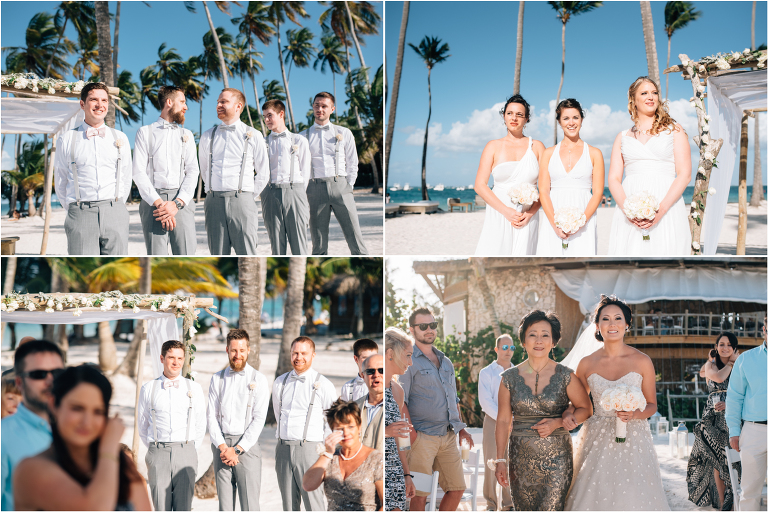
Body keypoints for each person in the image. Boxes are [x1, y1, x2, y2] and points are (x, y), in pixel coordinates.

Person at [565, 295, 670, 510]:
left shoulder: (642, 361)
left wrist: (634, 414)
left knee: (633, 492)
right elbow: (578, 403)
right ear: (597, 325)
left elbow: (651, 405)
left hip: (634, 437)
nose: (612, 324)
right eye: (605, 319)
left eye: (618, 318)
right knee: (594, 492)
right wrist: (569, 414)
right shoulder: (586, 364)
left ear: (627, 324)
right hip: (596, 437)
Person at [13, 364, 151, 510]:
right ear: (53, 404)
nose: (87, 422)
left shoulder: (120, 464)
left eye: (97, 411)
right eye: (77, 409)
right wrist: (110, 447)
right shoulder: (31, 469)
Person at [493, 312, 592, 511]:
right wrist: (500, 460)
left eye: (545, 335)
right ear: (523, 340)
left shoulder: (566, 376)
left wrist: (558, 422)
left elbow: (586, 409)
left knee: (552, 507)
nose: (539, 340)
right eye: (532, 334)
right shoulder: (508, 378)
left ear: (553, 341)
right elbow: (503, 421)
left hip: (558, 458)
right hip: (520, 458)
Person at [607, 76, 692, 255]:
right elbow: (614, 179)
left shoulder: (674, 130)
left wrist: (661, 210)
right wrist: (628, 211)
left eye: (654, 93)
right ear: (633, 100)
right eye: (644, 93)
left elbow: (684, 174)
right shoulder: (622, 137)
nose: (651, 97)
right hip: (629, 208)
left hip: (667, 204)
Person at [401, 307, 473, 511]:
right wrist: (412, 435)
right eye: (423, 326)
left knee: (457, 488)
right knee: (419, 496)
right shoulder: (408, 360)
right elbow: (401, 401)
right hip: (422, 438)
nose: (429, 330)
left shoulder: (446, 361)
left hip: (448, 437)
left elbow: (453, 398)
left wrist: (461, 429)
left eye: (432, 325)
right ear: (412, 330)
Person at [54, 82, 133, 255]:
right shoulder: (67, 139)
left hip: (115, 212)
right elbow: (60, 179)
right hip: (80, 213)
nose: (100, 105)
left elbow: (126, 176)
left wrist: (117, 205)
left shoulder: (120, 138)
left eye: (104, 100)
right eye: (94, 100)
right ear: (82, 104)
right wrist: (74, 209)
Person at [137, 340, 206, 511]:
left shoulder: (194, 388)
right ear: (162, 358)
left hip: (186, 452)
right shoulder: (149, 388)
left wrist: (188, 449)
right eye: (171, 357)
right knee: (161, 506)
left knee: (184, 507)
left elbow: (200, 424)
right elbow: (142, 424)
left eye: (180, 358)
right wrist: (155, 448)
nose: (176, 362)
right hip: (157, 453)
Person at [199, 88, 269, 255]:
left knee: (247, 253)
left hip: (243, 200)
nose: (218, 105)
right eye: (217, 102)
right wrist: (211, 193)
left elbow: (263, 173)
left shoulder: (254, 135)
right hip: (213, 200)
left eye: (223, 101)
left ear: (238, 106)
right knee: (217, 254)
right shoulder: (207, 136)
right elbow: (204, 169)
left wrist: (246, 196)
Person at [132, 86, 200, 255]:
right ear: (169, 102)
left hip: (182, 202)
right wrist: (160, 204)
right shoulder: (144, 132)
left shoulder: (187, 135)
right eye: (182, 102)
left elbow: (192, 171)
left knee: (186, 257)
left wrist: (177, 203)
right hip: (152, 204)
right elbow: (138, 172)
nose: (186, 107)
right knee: (156, 257)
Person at [207, 329, 270, 511]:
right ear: (227, 350)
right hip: (221, 448)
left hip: (247, 447)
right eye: (234, 350)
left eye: (242, 350)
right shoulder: (216, 379)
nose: (238, 355)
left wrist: (237, 449)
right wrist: (223, 447)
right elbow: (211, 416)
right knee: (225, 507)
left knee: (250, 505)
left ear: (248, 350)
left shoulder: (258, 379)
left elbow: (259, 420)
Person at [272, 336, 337, 510]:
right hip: (283, 449)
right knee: (288, 504)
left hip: (310, 450)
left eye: (303, 353)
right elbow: (279, 416)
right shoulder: (280, 383)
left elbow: (333, 423)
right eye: (295, 353)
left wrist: (323, 452)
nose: (298, 357)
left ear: (313, 355)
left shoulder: (324, 384)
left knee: (313, 503)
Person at [474, 94, 544, 255]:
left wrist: (530, 213)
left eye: (520, 114)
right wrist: (506, 211)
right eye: (510, 113)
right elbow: (480, 185)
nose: (514, 118)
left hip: (527, 216)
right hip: (499, 212)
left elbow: (546, 187)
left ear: (527, 119)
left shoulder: (537, 147)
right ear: (503, 116)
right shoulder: (492, 146)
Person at [300, 92, 368, 255]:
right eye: (317, 105)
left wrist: (348, 185)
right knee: (318, 241)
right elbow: (299, 167)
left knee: (355, 237)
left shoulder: (344, 133)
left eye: (324, 106)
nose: (320, 109)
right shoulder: (302, 137)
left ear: (332, 109)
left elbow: (353, 162)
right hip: (314, 188)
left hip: (341, 186)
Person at [1, 340, 64, 510]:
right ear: (19, 383)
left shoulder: (76, 431)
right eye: (39, 374)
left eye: (57, 373)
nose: (50, 381)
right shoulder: (3, 437)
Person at [536, 99, 604, 256]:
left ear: (581, 119)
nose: (571, 122)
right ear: (559, 122)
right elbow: (544, 191)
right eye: (566, 118)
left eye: (575, 117)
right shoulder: (548, 153)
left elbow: (598, 193)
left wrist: (580, 222)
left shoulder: (595, 153)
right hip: (553, 216)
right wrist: (555, 224)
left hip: (584, 218)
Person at [688, 332, 741, 510]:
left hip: (733, 416)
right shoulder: (710, 365)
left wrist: (730, 404)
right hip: (712, 419)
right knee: (716, 458)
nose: (725, 348)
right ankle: (721, 503)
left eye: (729, 345)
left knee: (733, 459)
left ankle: (733, 500)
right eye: (721, 344)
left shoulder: (741, 366)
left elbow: (746, 391)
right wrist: (731, 363)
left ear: (734, 348)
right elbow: (719, 378)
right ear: (716, 347)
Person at [303, 399, 384, 511]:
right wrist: (327, 454)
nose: (346, 433)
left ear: (359, 427)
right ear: (332, 431)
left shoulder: (376, 458)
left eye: (350, 427)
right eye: (340, 429)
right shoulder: (330, 458)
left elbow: (387, 505)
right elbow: (308, 485)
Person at [726, 316, 767, 511]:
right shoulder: (746, 359)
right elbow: (734, 397)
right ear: (764, 330)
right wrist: (734, 430)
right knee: (749, 491)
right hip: (753, 430)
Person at [262, 99, 311, 255]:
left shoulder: (299, 141)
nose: (266, 120)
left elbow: (305, 171)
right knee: (276, 243)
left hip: (295, 191)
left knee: (299, 242)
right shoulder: (262, 143)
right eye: (264, 117)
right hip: (269, 193)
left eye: (270, 115)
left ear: (281, 114)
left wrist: (297, 194)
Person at [478, 335, 515, 511]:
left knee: (510, 463)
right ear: (497, 349)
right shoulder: (486, 372)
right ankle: (491, 504)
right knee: (491, 463)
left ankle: (509, 504)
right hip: (492, 422)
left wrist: (513, 420)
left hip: (514, 423)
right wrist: (504, 421)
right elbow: (485, 402)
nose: (509, 351)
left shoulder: (519, 373)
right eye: (505, 347)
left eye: (512, 348)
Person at [383, 327, 416, 511]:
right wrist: (385, 432)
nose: (410, 362)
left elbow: (401, 441)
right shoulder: (371, 388)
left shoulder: (398, 391)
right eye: (408, 355)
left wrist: (407, 475)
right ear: (389, 353)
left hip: (395, 470)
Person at [355, 354, 384, 451]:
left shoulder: (397, 404)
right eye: (370, 371)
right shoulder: (352, 408)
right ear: (363, 375)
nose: (376, 375)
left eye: (381, 370)